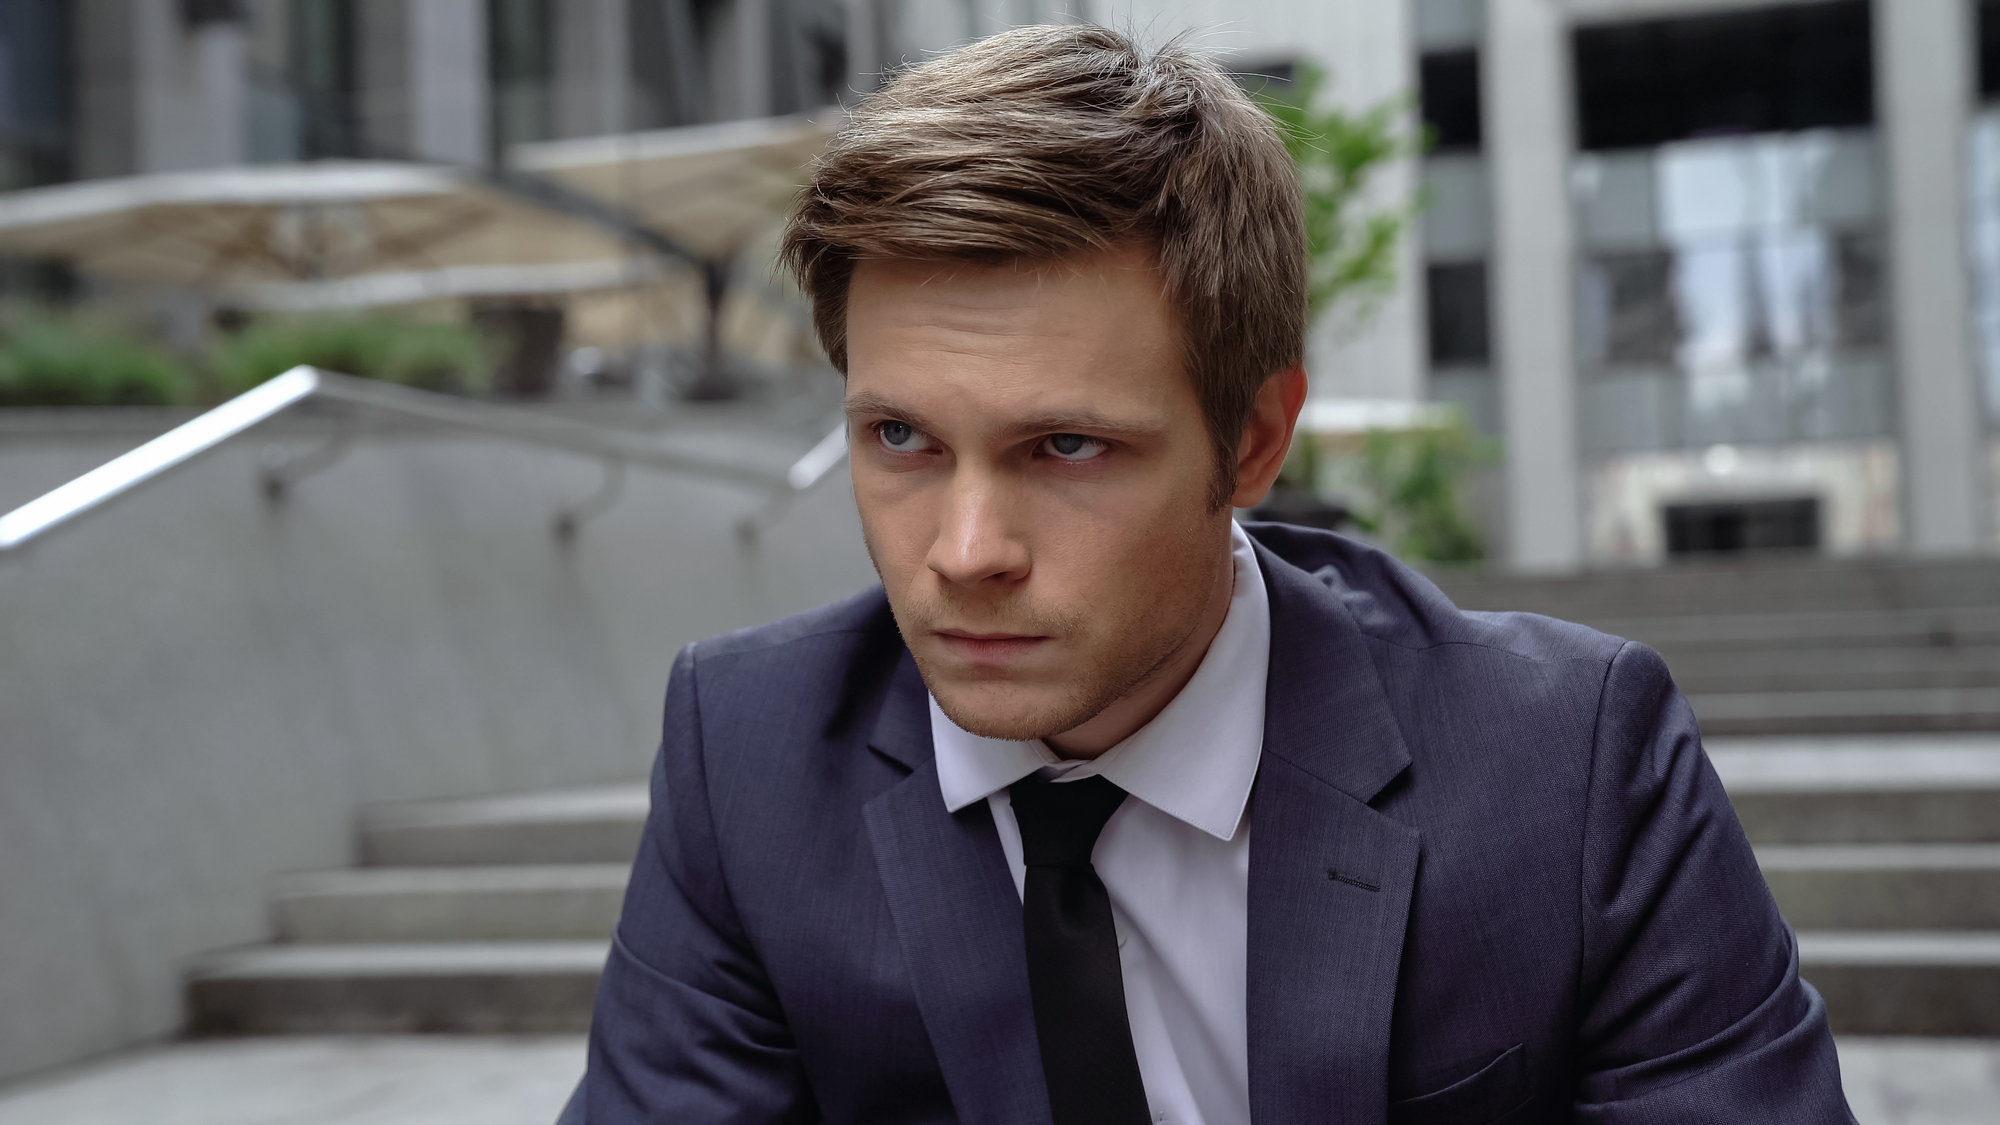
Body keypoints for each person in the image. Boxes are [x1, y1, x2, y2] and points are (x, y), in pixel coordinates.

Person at [564, 23, 1853, 1125]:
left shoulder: (1564, 761)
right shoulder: (750, 752)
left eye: (1066, 447)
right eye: (900, 438)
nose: (964, 555)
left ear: (1252, 440)